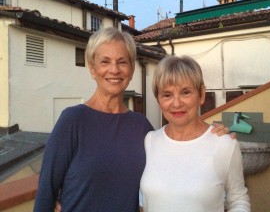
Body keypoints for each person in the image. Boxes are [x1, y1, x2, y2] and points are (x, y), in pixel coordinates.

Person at [34, 27, 232, 212]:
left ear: (131, 70)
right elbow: (46, 191)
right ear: (92, 69)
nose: (114, 70)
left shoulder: (141, 127)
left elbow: (178, 158)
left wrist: (211, 135)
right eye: (105, 61)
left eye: (122, 61)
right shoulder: (73, 121)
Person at [139, 55, 250, 212]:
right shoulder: (150, 141)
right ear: (158, 100)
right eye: (167, 94)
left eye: (185, 92)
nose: (176, 103)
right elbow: (145, 201)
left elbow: (238, 200)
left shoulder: (224, 144)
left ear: (201, 95)